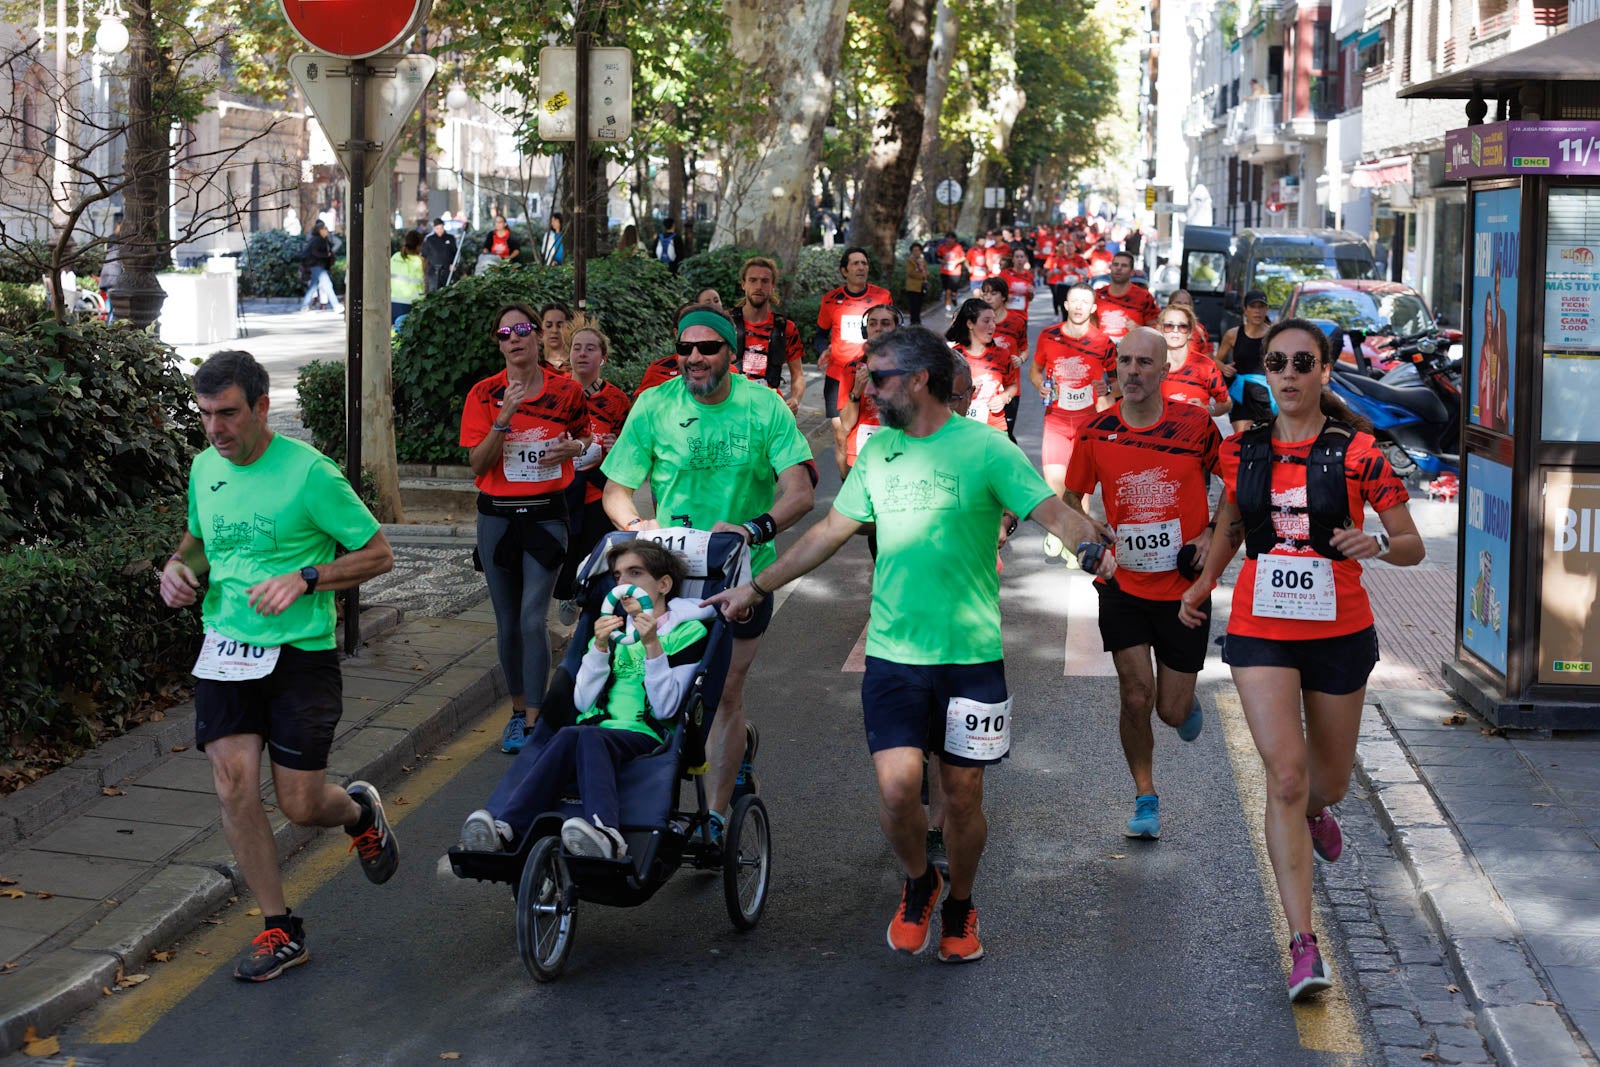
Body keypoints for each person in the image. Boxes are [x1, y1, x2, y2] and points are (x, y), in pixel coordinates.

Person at [706, 327, 1111, 964]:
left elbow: (1049, 509)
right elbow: (830, 533)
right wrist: (756, 585)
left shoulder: (984, 448)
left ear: (920, 380)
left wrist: (1087, 542)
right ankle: (920, 882)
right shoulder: (879, 452)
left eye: (882, 375)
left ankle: (961, 903)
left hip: (971, 656)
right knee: (898, 793)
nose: (870, 386)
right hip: (894, 654)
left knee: (962, 797)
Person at [1178, 317, 1424, 1002]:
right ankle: (1302, 942)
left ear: (1323, 372)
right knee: (1285, 777)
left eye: (1302, 362)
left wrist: (1375, 544)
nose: (1287, 373)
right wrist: (1203, 585)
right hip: (1262, 628)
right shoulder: (1241, 450)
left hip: (1340, 631)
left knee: (1329, 781)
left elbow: (1412, 545)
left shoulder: (1360, 454)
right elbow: (1232, 522)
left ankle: (1320, 808)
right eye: (1276, 361)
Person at [157, 350, 397, 982]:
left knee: (300, 804)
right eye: (205, 415)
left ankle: (357, 811)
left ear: (263, 408)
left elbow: (378, 554)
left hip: (300, 656)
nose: (215, 430)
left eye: (228, 414)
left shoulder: (310, 474)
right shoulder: (206, 467)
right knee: (233, 781)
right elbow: (200, 542)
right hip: (225, 648)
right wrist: (179, 570)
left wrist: (308, 576)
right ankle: (279, 928)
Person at [602, 305, 815, 845]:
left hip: (743, 575)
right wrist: (636, 526)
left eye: (708, 348)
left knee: (721, 692)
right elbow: (616, 490)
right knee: (657, 690)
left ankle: (715, 818)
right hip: (671, 579)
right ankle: (730, 747)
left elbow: (800, 492)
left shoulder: (763, 407)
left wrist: (753, 527)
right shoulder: (653, 405)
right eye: (686, 348)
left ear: (731, 354)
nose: (694, 357)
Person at [1063, 328, 1222, 840]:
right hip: (1124, 587)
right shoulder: (1096, 431)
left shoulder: (1195, 426)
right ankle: (1145, 797)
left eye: (1143, 363)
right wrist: (1090, 543)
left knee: (1170, 711)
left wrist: (1210, 533)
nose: (1131, 371)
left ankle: (1185, 701)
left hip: (1184, 590)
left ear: (1163, 371)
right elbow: (1071, 500)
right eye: (1124, 362)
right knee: (1135, 697)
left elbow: (1238, 491)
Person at [461, 540, 712, 857]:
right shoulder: (614, 632)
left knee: (588, 737)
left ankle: (606, 832)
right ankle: (506, 829)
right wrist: (599, 649)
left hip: (646, 732)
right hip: (595, 728)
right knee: (568, 734)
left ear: (663, 584)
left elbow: (667, 707)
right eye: (619, 575)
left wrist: (652, 645)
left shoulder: (686, 632)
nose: (623, 583)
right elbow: (581, 703)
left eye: (635, 572)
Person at [462, 303, 593, 755]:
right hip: (497, 516)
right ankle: (518, 713)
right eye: (504, 334)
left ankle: (536, 718)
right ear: (499, 344)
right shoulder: (484, 394)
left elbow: (587, 437)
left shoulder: (567, 392)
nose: (514, 338)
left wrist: (573, 448)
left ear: (539, 336)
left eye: (522, 330)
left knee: (530, 617)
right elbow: (477, 464)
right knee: (507, 624)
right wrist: (504, 418)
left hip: (545, 514)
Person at [1029, 285, 1118, 558]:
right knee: (1055, 484)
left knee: (1079, 488)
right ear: (1066, 304)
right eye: (1074, 301)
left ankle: (1080, 542)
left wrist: (1109, 393)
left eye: (1085, 302)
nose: (1079, 306)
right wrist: (1039, 386)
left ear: (1093, 309)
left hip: (1087, 422)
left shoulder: (1103, 342)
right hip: (1056, 419)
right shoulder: (1049, 335)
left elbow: (1117, 381)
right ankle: (1060, 529)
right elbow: (1035, 370)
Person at [555, 319, 632, 618]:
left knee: (595, 553)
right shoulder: (557, 390)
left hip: (599, 489)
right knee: (564, 547)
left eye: (590, 348)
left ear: (603, 357)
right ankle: (565, 593)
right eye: (577, 348)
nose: (582, 354)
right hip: (562, 485)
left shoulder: (616, 399)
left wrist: (617, 445)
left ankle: (591, 607)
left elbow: (630, 447)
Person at [816, 247, 894, 472]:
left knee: (874, 431)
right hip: (839, 375)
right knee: (842, 435)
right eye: (855, 264)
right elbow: (820, 334)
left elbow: (893, 328)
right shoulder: (831, 299)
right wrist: (823, 348)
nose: (861, 268)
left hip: (874, 372)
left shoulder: (882, 296)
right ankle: (846, 485)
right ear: (844, 270)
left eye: (864, 263)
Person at [730, 256, 806, 414]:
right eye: (753, 280)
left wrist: (795, 399)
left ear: (772, 286)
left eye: (765, 281)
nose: (759, 286)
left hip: (770, 408)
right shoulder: (726, 323)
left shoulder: (786, 328)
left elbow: (798, 374)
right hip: (732, 406)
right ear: (743, 284)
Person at [837, 302, 900, 479]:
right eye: (872, 324)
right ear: (866, 330)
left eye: (885, 323)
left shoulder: (910, 370)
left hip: (898, 455)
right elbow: (846, 425)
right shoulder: (851, 369)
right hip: (860, 456)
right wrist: (856, 391)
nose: (878, 328)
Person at [947, 297, 1015, 435]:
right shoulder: (953, 356)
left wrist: (1004, 397)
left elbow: (1012, 385)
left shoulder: (1002, 355)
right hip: (961, 427)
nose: (993, 326)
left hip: (995, 426)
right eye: (986, 321)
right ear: (970, 324)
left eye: (993, 321)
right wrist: (966, 387)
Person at [1158, 303, 1232, 419]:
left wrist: (1209, 410)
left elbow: (1226, 403)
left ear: (1190, 332)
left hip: (1195, 434)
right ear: (1161, 330)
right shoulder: (1149, 365)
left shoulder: (1205, 366)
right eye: (1169, 326)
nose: (1175, 330)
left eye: (1182, 326)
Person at [1216, 288, 1275, 433]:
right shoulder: (1233, 334)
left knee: (1265, 440)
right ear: (1245, 310)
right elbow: (1215, 360)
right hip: (1241, 393)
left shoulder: (1274, 335)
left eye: (1261, 307)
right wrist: (1224, 368)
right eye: (1253, 307)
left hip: (1266, 393)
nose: (1257, 311)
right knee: (1242, 439)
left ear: (1266, 309)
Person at [1094, 251, 1159, 343]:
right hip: (1101, 350)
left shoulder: (1144, 297)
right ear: (1111, 268)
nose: (1119, 268)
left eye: (1124, 265)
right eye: (1115, 264)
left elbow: (1157, 329)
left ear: (1132, 272)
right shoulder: (1098, 295)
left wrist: (1139, 329)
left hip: (1132, 351)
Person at [298, 222, 342, 314]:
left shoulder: (317, 239)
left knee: (313, 287)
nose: (327, 231)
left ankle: (304, 306)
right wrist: (326, 255)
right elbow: (315, 252)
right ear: (320, 230)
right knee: (327, 285)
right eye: (325, 229)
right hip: (317, 266)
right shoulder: (319, 240)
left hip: (316, 266)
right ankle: (336, 305)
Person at [389, 230, 425, 326]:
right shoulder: (421, 261)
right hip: (414, 305)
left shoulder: (395, 257)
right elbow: (426, 284)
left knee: (394, 334)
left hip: (393, 303)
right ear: (418, 246)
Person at [1168, 290, 1214, 361]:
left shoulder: (1199, 330)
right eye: (1178, 303)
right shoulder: (1158, 329)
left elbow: (1208, 360)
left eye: (1186, 304)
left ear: (1191, 307)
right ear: (1169, 305)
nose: (1182, 306)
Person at [423, 218, 458, 292]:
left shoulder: (450, 238)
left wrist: (454, 264)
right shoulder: (429, 239)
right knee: (434, 292)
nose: (440, 230)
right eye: (437, 228)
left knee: (448, 291)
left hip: (447, 270)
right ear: (434, 228)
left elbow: (456, 253)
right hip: (433, 272)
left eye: (441, 228)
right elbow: (424, 255)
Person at [540, 303, 574, 375]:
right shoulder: (532, 364)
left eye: (560, 326)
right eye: (549, 326)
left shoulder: (577, 363)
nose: (554, 330)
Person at [936, 232, 966, 313]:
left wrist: (956, 262)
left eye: (952, 238)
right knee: (947, 290)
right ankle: (948, 306)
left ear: (954, 239)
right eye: (948, 238)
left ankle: (954, 296)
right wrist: (942, 261)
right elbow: (938, 257)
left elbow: (963, 257)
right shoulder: (941, 247)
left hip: (955, 272)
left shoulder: (958, 247)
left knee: (953, 290)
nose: (949, 240)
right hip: (945, 271)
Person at [903, 242, 929, 325]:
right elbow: (910, 273)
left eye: (918, 250)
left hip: (921, 286)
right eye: (914, 250)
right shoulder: (910, 261)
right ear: (911, 251)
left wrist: (924, 273)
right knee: (913, 305)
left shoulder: (922, 260)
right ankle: (913, 322)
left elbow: (927, 272)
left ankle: (918, 321)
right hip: (912, 287)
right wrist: (922, 275)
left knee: (919, 305)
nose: (916, 252)